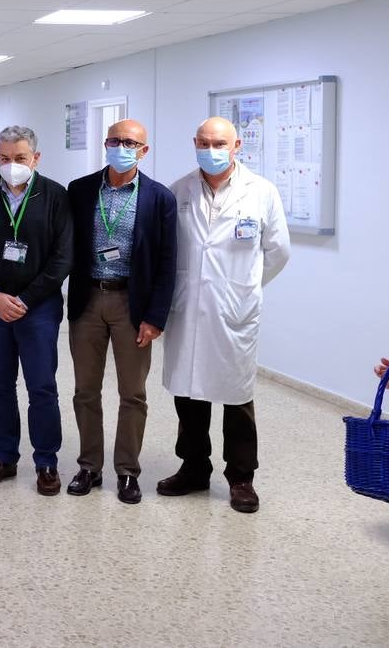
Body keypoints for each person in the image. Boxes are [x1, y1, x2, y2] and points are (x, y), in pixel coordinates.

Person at [159, 116, 289, 514]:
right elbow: (169, 252)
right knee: (189, 394)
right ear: (194, 143)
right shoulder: (178, 190)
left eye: (219, 143)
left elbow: (278, 252)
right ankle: (194, 467)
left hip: (234, 310)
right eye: (204, 142)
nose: (211, 150)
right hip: (187, 308)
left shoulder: (261, 191)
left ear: (237, 147)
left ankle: (241, 477)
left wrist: (243, 287)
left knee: (236, 396)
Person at [64, 119, 177, 505]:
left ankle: (127, 471)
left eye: (130, 142)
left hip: (133, 304)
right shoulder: (79, 190)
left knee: (133, 393)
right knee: (85, 391)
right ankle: (89, 466)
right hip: (88, 299)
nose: (120, 146)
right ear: (104, 144)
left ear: (144, 151)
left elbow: (167, 262)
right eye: (114, 140)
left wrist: (155, 317)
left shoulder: (159, 198)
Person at [0, 125, 72, 496]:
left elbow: (62, 258)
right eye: (4, 159)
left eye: (20, 158)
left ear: (35, 158)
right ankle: (4, 456)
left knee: (42, 387)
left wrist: (26, 299)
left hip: (37, 308)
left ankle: (46, 461)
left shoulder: (55, 195)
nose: (12, 165)